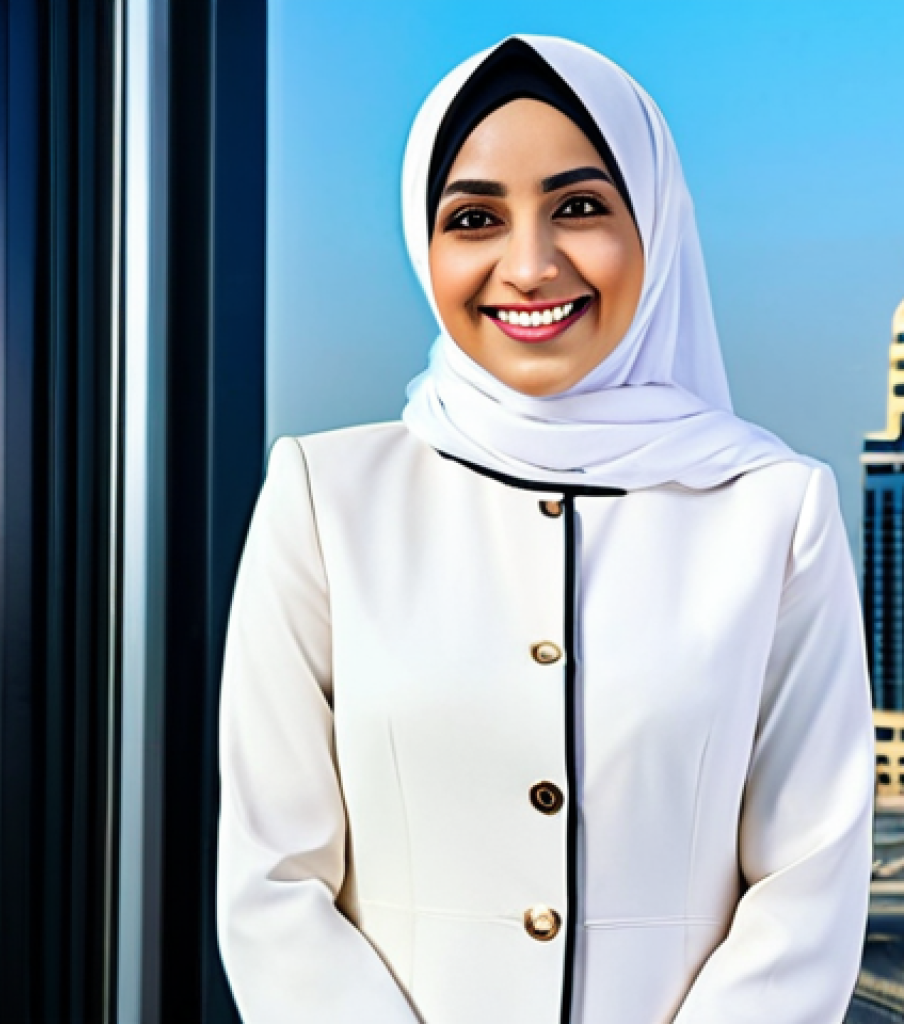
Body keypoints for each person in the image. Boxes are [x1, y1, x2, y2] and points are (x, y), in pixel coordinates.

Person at [216, 33, 874, 1024]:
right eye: (474, 217)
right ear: (422, 242)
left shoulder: (775, 512)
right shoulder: (323, 497)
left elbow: (808, 881)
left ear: (654, 223)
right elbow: (272, 883)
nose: (528, 265)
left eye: (578, 207)